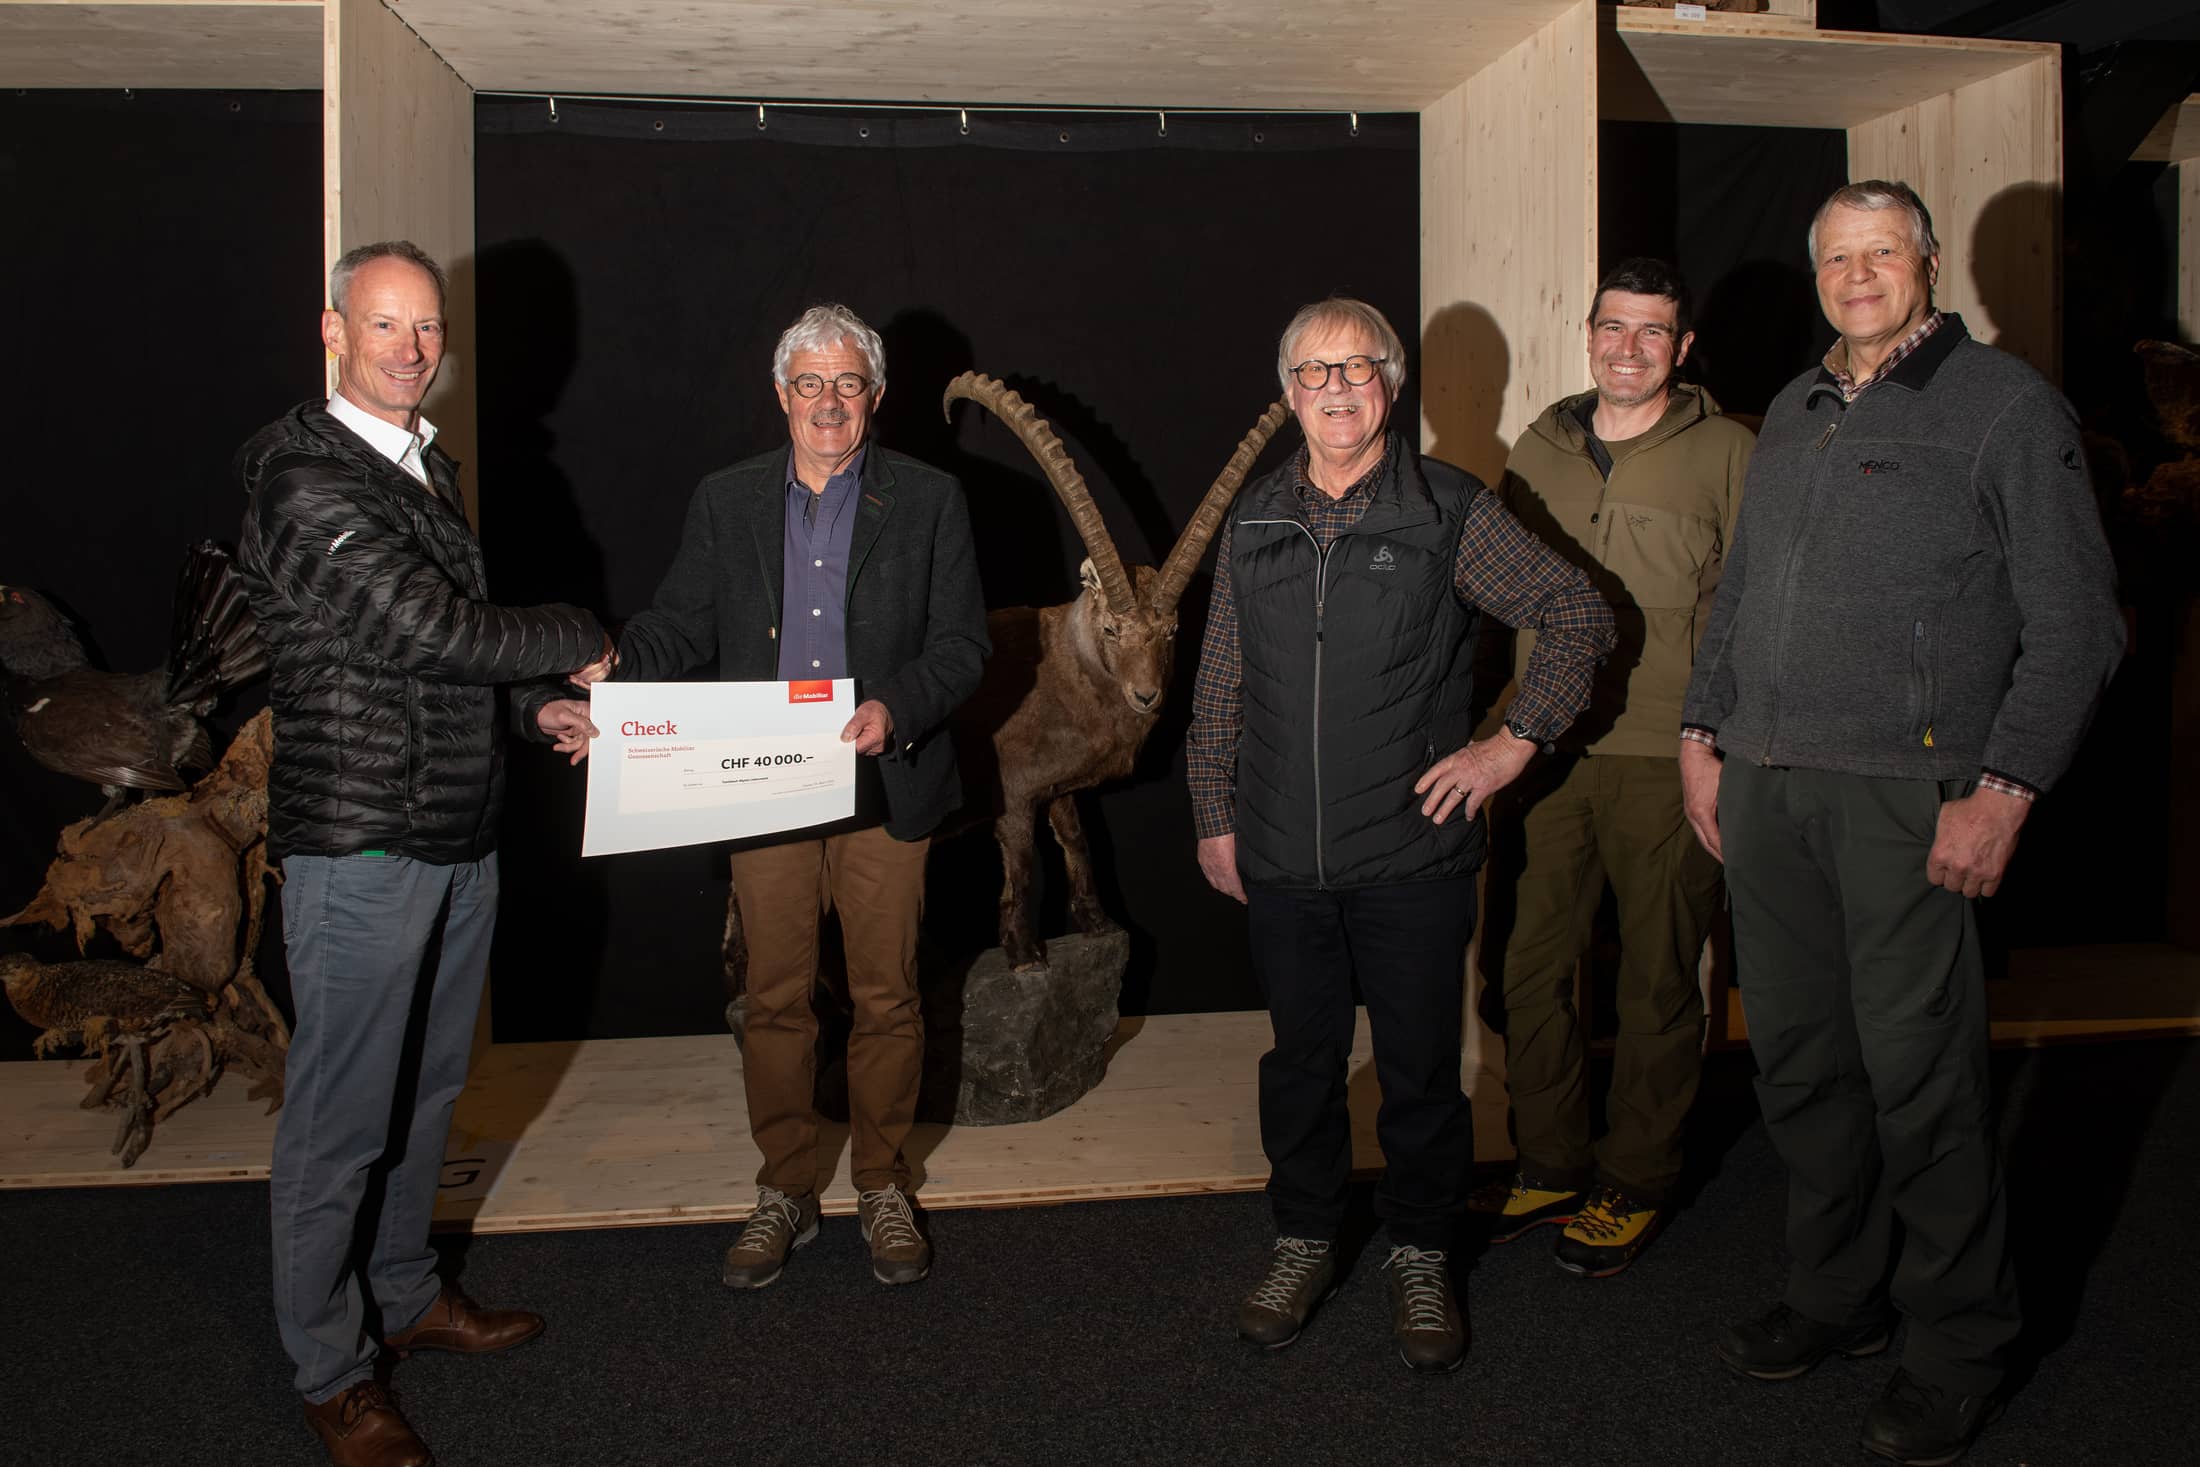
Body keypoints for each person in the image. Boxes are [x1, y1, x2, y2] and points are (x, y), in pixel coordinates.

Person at [1679, 181, 2123, 1465]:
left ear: (1927, 262)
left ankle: (1959, 1343)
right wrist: (1706, 738)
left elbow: (2079, 625)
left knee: (1921, 1083)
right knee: (1803, 1072)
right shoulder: (1796, 414)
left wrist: (2005, 788)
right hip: (1765, 786)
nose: (1857, 273)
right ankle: (1834, 1295)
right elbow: (1742, 592)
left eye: (1881, 251)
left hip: (1908, 797)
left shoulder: (2003, 408)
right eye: (1835, 255)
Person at [236, 239, 612, 1467]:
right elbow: (423, 626)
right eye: (385, 326)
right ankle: (331, 1370)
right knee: (340, 1123)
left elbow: (430, 668)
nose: (411, 349)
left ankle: (404, 1296)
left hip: (456, 834)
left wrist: (535, 706)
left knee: (430, 1096)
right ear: (333, 329)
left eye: (428, 328)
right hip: (363, 846)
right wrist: (573, 638)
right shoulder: (302, 476)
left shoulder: (420, 467)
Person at [1187, 296, 1614, 1373]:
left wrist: (1510, 745)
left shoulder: (1447, 509)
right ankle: (1304, 1239)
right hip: (1281, 853)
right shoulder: (1254, 519)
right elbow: (1220, 683)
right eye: (1314, 373)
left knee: (1423, 1073)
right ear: (1288, 393)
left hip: (1411, 856)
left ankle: (1422, 1250)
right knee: (1300, 1066)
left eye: (1357, 369)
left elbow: (1577, 616)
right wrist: (1211, 816)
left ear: (1392, 381)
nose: (1337, 391)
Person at [605, 303, 988, 1290]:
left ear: (876, 397)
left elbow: (964, 646)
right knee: (773, 1000)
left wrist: (895, 706)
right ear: (780, 395)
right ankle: (784, 1184)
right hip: (763, 787)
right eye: (808, 384)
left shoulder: (931, 499)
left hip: (885, 786)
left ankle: (883, 1184)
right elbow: (682, 623)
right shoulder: (726, 500)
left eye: (847, 383)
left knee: (887, 998)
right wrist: (610, 667)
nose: (828, 402)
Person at [1470, 258, 1753, 1276]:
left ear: (1680, 348)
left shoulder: (1729, 452)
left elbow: (1747, 613)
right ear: (1587, 333)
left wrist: (1712, 744)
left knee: (1658, 975)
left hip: (1667, 756)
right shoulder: (1536, 447)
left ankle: (1634, 1178)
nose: (1626, 348)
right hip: (1539, 750)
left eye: (1651, 332)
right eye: (1611, 327)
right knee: (1523, 965)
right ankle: (1547, 1159)